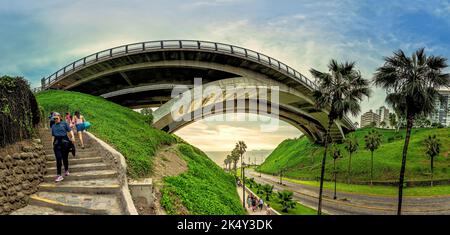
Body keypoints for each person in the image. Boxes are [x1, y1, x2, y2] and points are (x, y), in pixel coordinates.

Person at [51, 112, 75, 182]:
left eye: (56, 118)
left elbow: (70, 131)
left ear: (60, 117)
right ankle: (59, 175)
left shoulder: (64, 123)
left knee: (65, 158)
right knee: (58, 159)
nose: (55, 119)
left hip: (65, 143)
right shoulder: (53, 126)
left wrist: (73, 137)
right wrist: (52, 144)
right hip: (57, 143)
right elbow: (53, 136)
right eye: (54, 118)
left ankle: (66, 170)